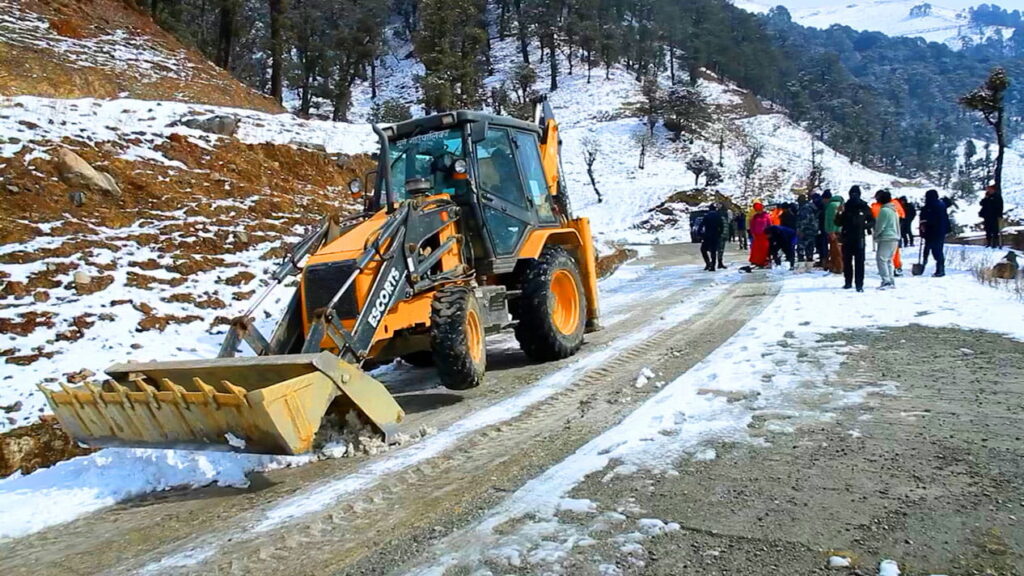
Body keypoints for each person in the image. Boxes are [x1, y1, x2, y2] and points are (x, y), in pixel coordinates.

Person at [835, 187, 873, 292]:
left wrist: (864, 227)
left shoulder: (864, 206)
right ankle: (848, 282)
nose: (854, 195)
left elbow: (872, 221)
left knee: (859, 262)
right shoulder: (845, 206)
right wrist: (838, 213)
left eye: (855, 193)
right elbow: (838, 223)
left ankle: (859, 284)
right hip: (847, 237)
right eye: (852, 193)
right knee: (847, 262)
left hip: (859, 237)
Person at [871, 192, 905, 276]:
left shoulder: (882, 209)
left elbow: (880, 225)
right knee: (890, 259)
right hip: (895, 235)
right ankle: (893, 274)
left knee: (882, 259)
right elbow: (901, 218)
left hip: (885, 237)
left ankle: (886, 280)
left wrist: (876, 235)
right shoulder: (894, 208)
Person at [919, 189, 949, 277]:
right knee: (937, 250)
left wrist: (924, 224)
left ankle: (939, 269)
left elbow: (929, 219)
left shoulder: (930, 206)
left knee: (935, 250)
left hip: (932, 231)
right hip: (941, 231)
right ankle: (939, 268)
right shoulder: (941, 205)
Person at [823, 192, 845, 274]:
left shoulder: (832, 206)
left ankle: (838, 267)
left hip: (834, 231)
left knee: (835, 251)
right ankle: (837, 266)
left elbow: (832, 219)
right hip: (840, 230)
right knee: (839, 250)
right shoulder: (840, 204)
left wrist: (831, 231)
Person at [698, 204, 723, 272]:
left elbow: (701, 225)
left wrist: (700, 234)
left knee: (703, 250)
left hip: (707, 235)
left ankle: (708, 263)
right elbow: (722, 226)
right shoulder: (718, 216)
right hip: (715, 236)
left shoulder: (707, 216)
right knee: (713, 251)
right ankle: (713, 266)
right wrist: (719, 234)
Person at [796, 195, 818, 263]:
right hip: (813, 229)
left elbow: (803, 220)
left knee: (801, 246)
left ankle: (801, 261)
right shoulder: (812, 206)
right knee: (810, 246)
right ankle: (809, 260)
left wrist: (800, 230)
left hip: (805, 230)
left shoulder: (804, 208)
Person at [749, 202, 772, 268]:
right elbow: (752, 226)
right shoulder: (755, 217)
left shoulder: (766, 216)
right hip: (757, 236)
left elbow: (769, 225)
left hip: (764, 235)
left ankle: (764, 261)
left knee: (764, 249)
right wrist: (753, 233)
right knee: (756, 249)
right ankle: (756, 261)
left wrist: (769, 233)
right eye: (757, 210)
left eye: (759, 210)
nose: (758, 211)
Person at [717, 203, 731, 269]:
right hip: (722, 234)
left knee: (719, 249)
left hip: (720, 234)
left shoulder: (721, 214)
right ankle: (719, 262)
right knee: (720, 249)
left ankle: (718, 262)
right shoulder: (724, 214)